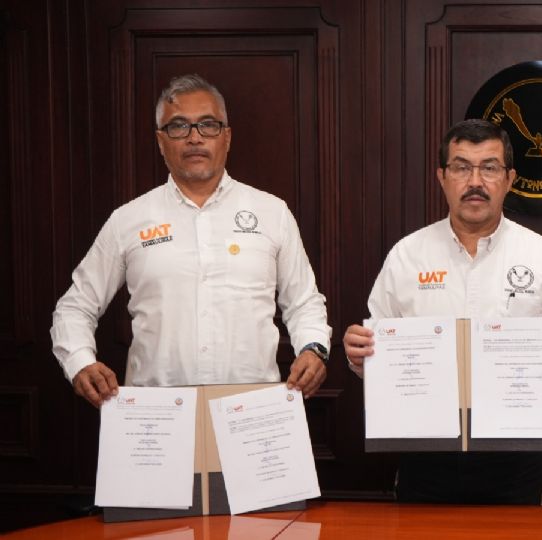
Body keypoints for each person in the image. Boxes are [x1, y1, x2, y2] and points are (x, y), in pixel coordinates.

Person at [342, 119, 542, 504]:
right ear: (442, 177)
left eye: (489, 168)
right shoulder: (406, 256)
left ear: (509, 179)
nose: (475, 181)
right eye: (461, 167)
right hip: (426, 456)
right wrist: (360, 355)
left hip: (514, 457)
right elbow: (377, 355)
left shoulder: (541, 255)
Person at [51, 74, 332, 408]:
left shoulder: (272, 213)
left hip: (252, 412)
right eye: (179, 126)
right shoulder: (128, 220)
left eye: (208, 125)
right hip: (157, 414)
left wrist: (313, 348)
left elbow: (304, 302)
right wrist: (80, 361)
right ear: (161, 140)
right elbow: (75, 307)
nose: (195, 138)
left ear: (226, 137)